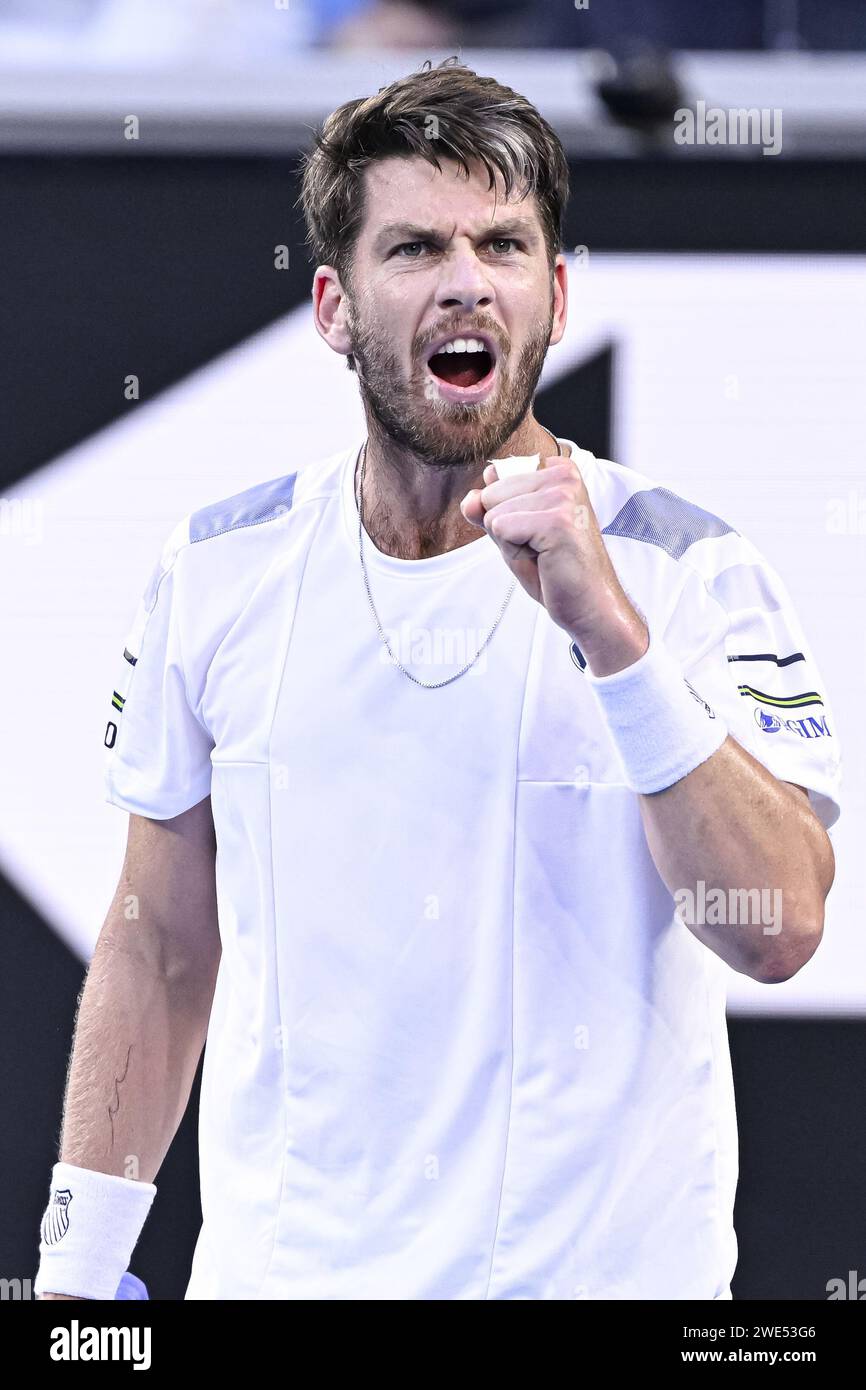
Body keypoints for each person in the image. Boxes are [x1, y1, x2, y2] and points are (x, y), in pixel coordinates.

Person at [36, 57, 840, 1301]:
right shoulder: (215, 572)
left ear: (555, 296)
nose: (467, 280)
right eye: (414, 248)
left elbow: (779, 927)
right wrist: (76, 1281)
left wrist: (612, 637)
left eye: (503, 245)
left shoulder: (685, 570)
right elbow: (159, 949)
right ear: (333, 307)